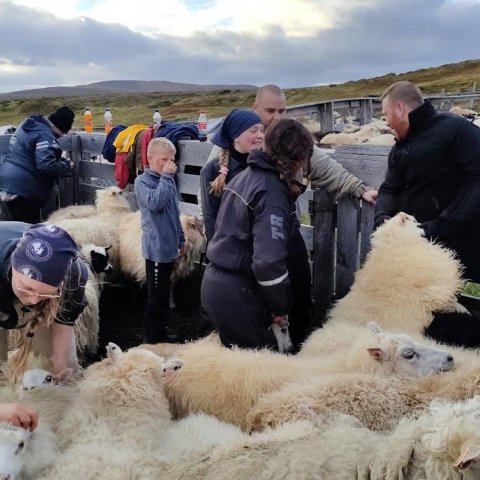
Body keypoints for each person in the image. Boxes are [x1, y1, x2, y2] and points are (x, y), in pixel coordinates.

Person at [201, 118, 314, 350]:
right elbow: (268, 263)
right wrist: (281, 306)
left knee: (237, 366)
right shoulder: (271, 192)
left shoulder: (245, 176)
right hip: (238, 294)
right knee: (261, 375)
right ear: (297, 158)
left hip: (218, 284)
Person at [374, 80, 480, 283]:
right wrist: (383, 220)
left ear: (400, 108)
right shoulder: (400, 148)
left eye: (386, 114)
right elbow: (389, 188)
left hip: (459, 244)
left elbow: (477, 179)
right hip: (416, 248)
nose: (385, 121)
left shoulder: (455, 129)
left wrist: (438, 227)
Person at [0, 222, 88, 375]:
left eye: (46, 293)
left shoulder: (73, 274)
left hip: (46, 311)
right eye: (27, 288)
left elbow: (64, 319)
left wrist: (59, 361)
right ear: (14, 266)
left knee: (64, 370)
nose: (34, 301)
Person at [134, 137, 186, 343]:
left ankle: (161, 333)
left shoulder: (167, 181)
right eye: (163, 159)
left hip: (169, 249)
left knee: (164, 296)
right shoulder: (142, 182)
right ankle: (152, 339)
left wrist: (180, 240)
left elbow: (174, 213)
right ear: (150, 159)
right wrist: (166, 177)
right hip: (156, 251)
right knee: (155, 298)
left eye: (172, 160)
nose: (169, 164)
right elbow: (155, 203)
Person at [0, 106, 75, 223]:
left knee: (14, 227)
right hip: (24, 189)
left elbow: (29, 155)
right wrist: (66, 166)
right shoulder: (45, 136)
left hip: (7, 183)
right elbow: (46, 166)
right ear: (60, 129)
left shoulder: (28, 126)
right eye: (61, 135)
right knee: (27, 231)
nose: (59, 138)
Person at [199, 108, 264, 242]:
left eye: (261, 130)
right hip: (228, 252)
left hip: (261, 248)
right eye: (253, 130)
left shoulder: (265, 166)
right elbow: (210, 218)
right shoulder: (212, 170)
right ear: (236, 135)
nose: (260, 135)